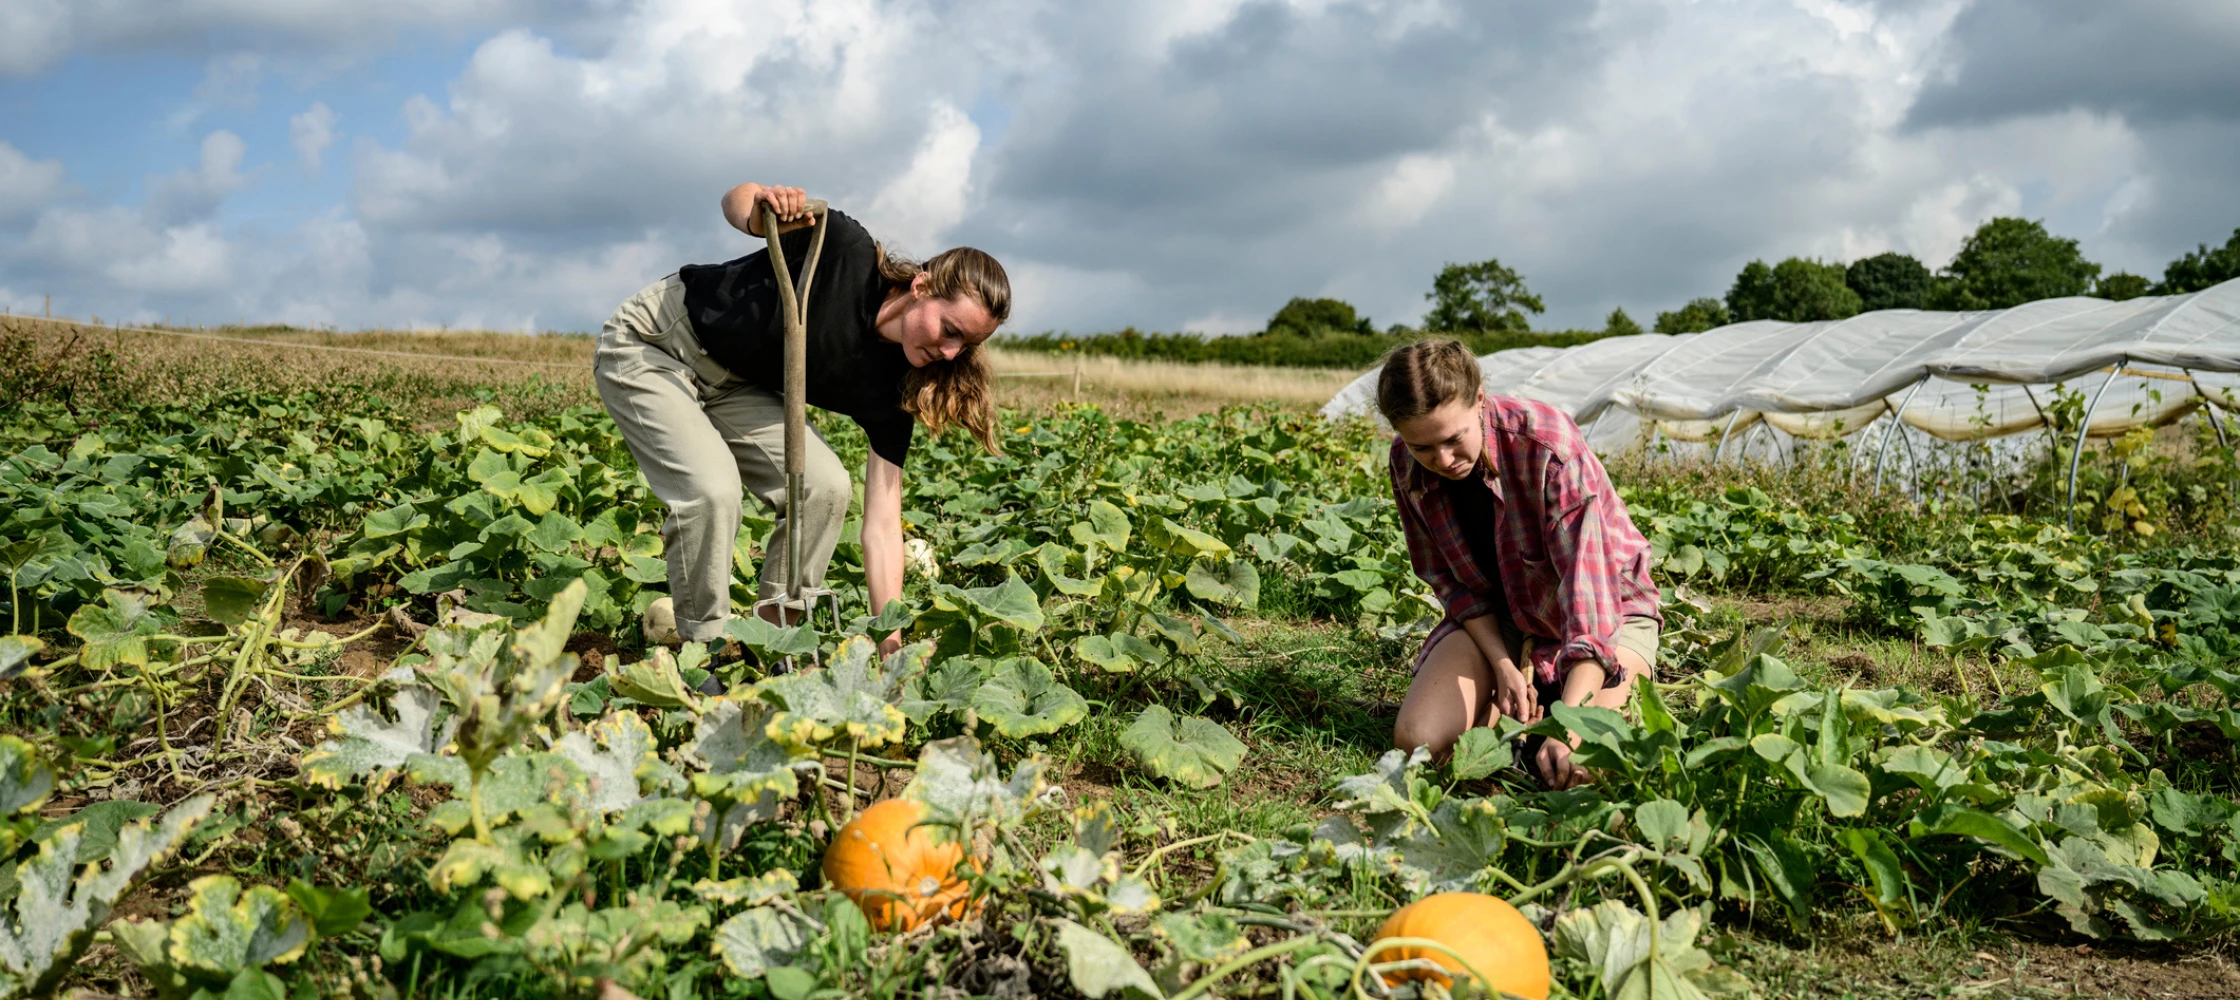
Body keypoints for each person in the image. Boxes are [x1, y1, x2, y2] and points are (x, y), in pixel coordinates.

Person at [595, 183, 1007, 658]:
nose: (950, 352)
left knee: (826, 486)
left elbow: (882, 524)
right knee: (712, 491)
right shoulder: (843, 250)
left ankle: (770, 640)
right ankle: (702, 651)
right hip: (657, 343)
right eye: (950, 330)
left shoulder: (901, 382)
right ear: (921, 287)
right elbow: (737, 201)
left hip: (736, 385)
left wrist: (890, 640)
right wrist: (765, 202)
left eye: (965, 345)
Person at [1379, 338, 1660, 789]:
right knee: (1418, 740)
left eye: (1454, 439)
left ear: (1480, 401)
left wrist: (1568, 726)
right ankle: (1518, 708)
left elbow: (1589, 604)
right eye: (1423, 447)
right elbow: (1454, 587)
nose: (1443, 460)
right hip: (1507, 616)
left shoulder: (1547, 446)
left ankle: (1545, 713)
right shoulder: (1406, 465)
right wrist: (1503, 666)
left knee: (1582, 763)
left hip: (1610, 615)